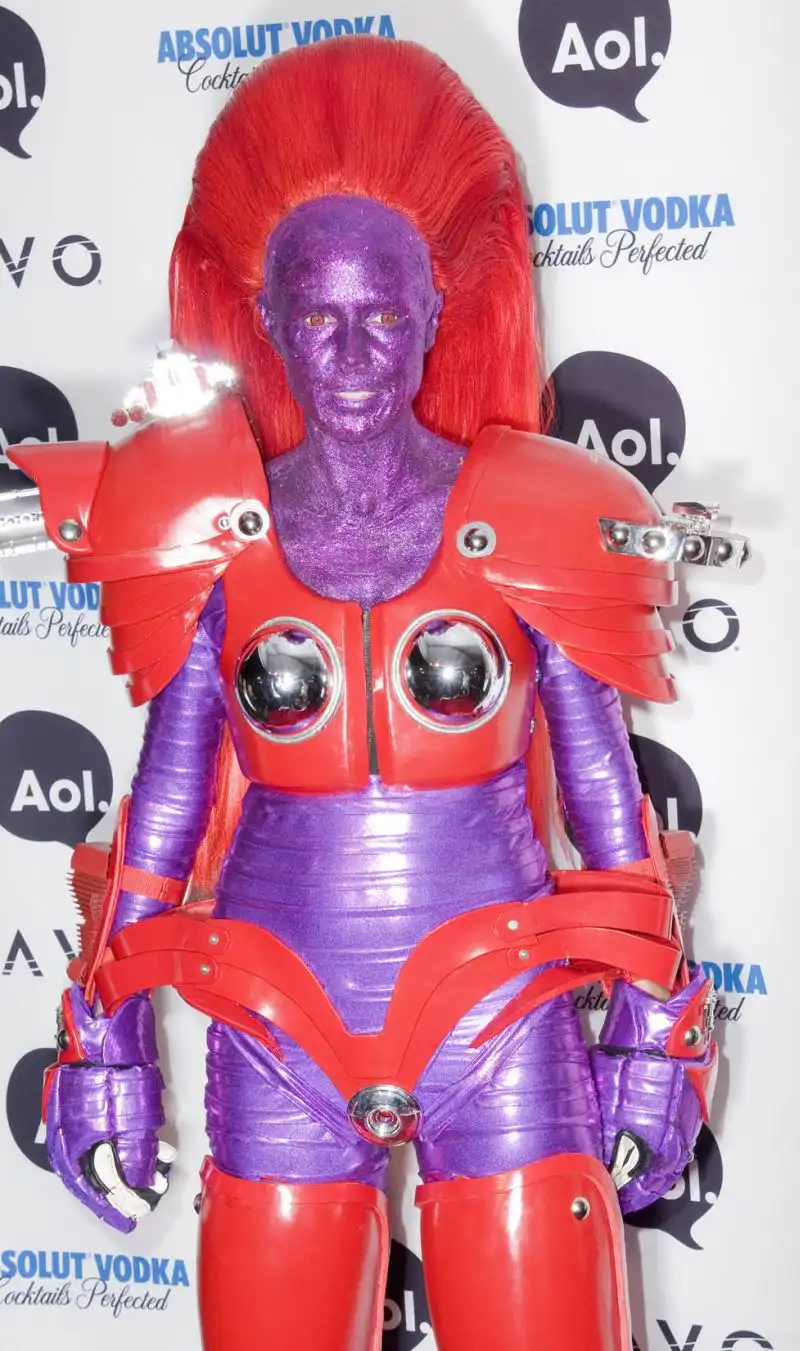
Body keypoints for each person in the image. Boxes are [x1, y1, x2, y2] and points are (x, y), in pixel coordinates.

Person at [11, 36, 722, 1351]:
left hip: (505, 1026)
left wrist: (655, 1020)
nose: (349, 352)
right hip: (277, 1020)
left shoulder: (536, 515)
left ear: (437, 311)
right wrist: (103, 1028)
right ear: (268, 318)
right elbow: (165, 806)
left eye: (384, 316)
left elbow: (606, 801)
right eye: (318, 315)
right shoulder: (209, 531)